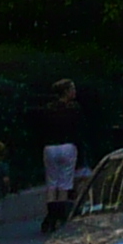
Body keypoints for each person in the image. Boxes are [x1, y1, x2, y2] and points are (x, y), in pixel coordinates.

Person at [38, 79, 84, 232]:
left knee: (52, 183)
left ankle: (50, 216)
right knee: (64, 184)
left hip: (50, 147)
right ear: (66, 92)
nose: (74, 92)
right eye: (72, 89)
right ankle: (61, 216)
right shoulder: (74, 109)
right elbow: (78, 129)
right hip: (67, 145)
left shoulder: (48, 109)